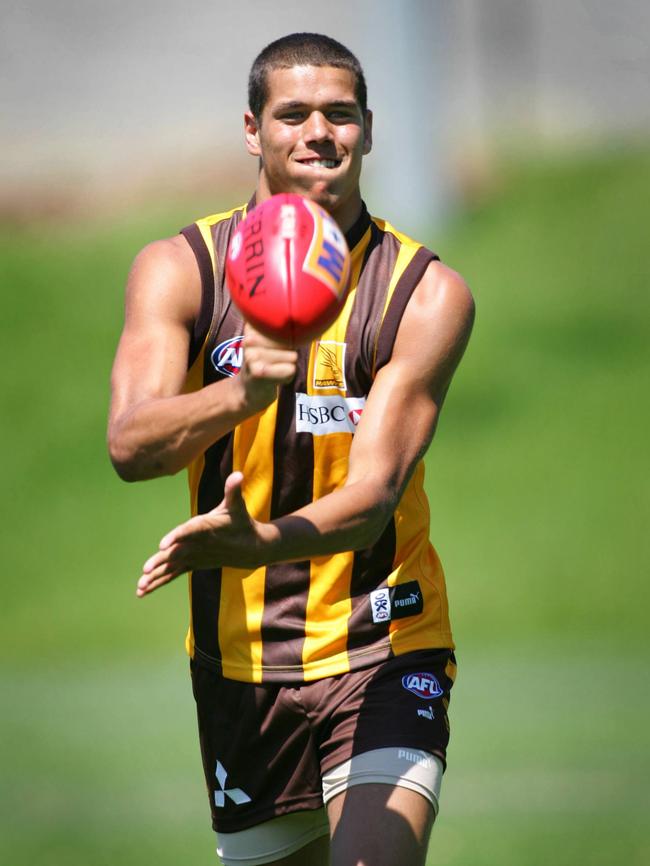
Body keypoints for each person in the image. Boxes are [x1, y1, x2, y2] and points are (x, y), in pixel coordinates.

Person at [108, 32, 474, 866]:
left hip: (383, 644)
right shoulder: (180, 269)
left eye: (340, 114)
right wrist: (241, 393)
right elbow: (132, 444)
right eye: (294, 113)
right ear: (252, 129)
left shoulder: (424, 294)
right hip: (241, 664)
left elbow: (375, 492)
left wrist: (256, 543)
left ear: (369, 131)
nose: (319, 131)